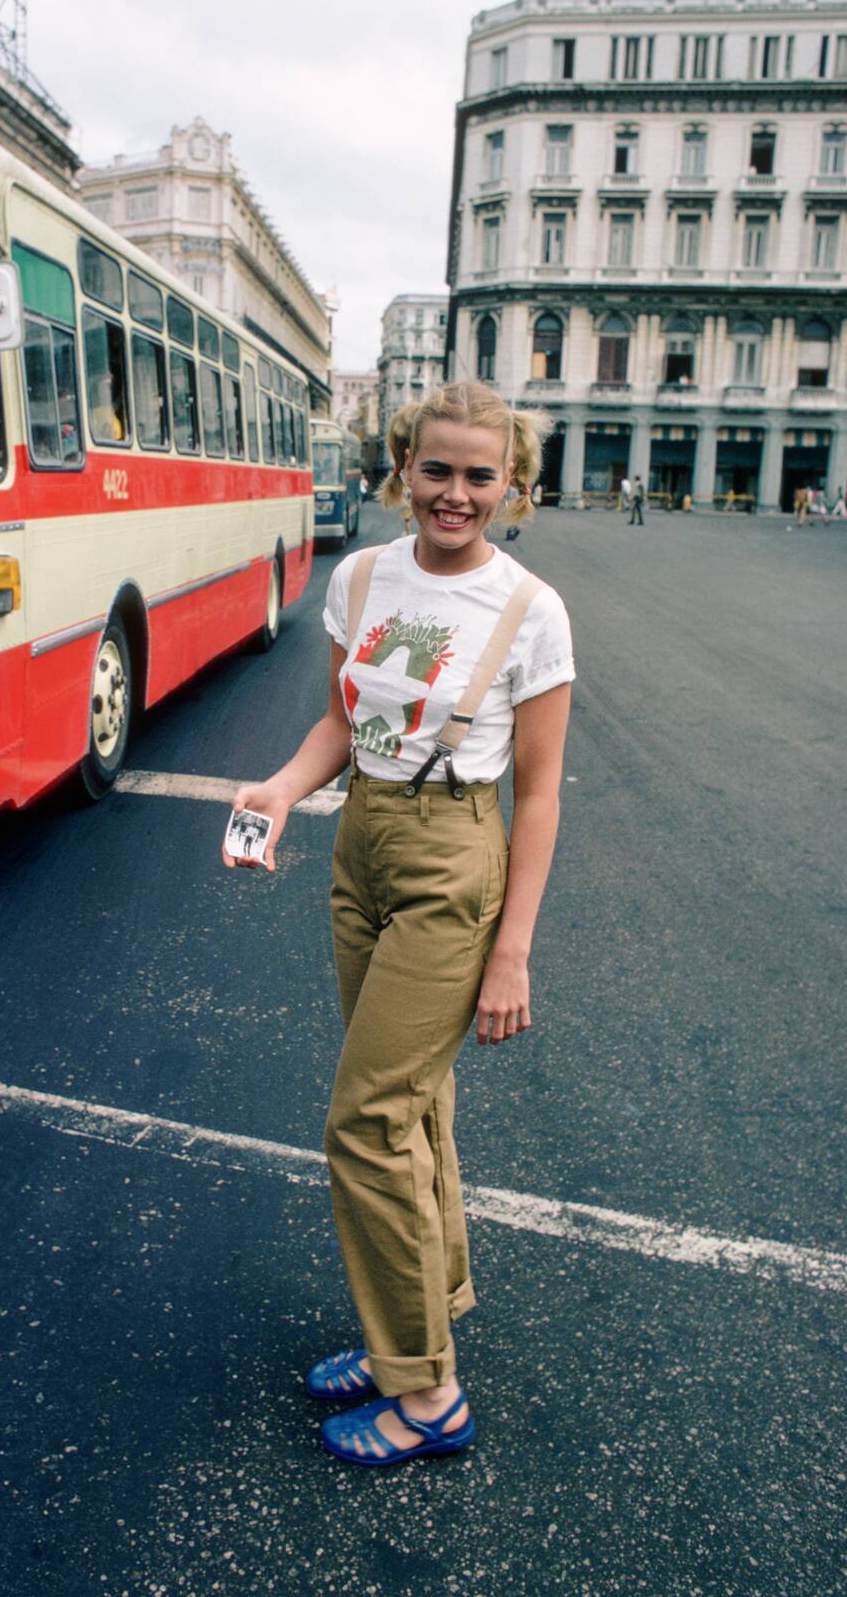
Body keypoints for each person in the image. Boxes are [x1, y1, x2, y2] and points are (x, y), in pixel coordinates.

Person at [223, 381, 574, 1466]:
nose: (455, 493)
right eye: (437, 469)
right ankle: (416, 1320)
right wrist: (283, 790)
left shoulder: (533, 606)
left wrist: (510, 946)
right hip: (364, 840)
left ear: (512, 480)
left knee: (367, 1120)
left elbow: (543, 789)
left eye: (480, 474)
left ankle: (428, 1394)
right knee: (413, 1105)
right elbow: (341, 717)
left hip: (455, 857)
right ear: (402, 466)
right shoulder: (362, 574)